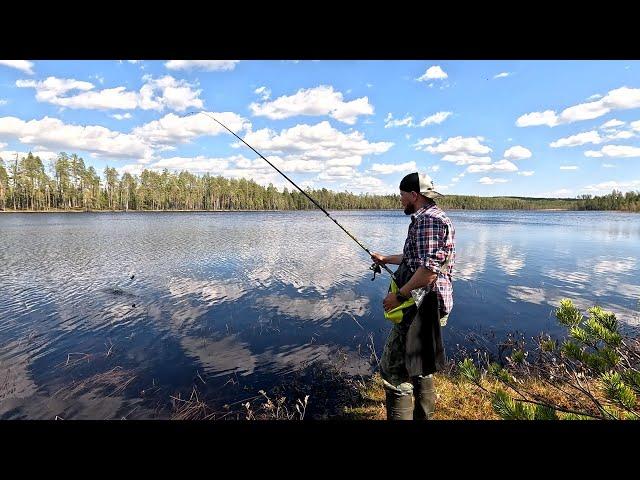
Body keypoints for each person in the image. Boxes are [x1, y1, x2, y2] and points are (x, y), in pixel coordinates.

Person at [371, 172, 456, 420]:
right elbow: (415, 260)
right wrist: (386, 259)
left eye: (401, 196)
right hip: (427, 305)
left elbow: (429, 271)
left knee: (394, 372)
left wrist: (399, 297)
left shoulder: (429, 221)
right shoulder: (428, 218)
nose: (400, 201)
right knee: (421, 366)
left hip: (421, 307)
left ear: (414, 195)